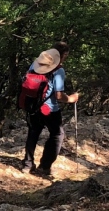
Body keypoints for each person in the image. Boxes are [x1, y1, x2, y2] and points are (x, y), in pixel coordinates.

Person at [23, 44, 79, 180]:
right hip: (49, 109)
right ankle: (45, 166)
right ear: (60, 56)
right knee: (57, 134)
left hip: (32, 106)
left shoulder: (35, 65)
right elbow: (58, 96)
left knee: (33, 132)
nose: (65, 58)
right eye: (65, 55)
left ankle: (27, 165)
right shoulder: (58, 70)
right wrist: (71, 99)